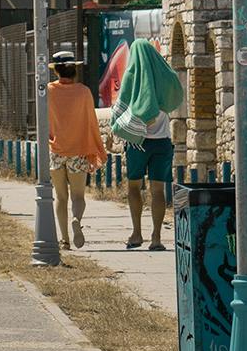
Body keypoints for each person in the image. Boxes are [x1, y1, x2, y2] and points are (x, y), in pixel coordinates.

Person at [107, 37, 182, 251]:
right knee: (158, 190)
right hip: (162, 142)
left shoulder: (133, 75)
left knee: (134, 186)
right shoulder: (165, 76)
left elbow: (120, 108)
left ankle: (136, 232)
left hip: (137, 144)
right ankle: (157, 238)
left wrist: (114, 129)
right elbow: (176, 96)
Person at [47, 51, 104, 247]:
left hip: (56, 150)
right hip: (78, 151)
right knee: (78, 196)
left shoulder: (48, 91)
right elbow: (91, 122)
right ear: (74, 70)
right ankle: (76, 220)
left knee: (61, 197)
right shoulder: (84, 92)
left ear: (56, 71)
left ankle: (64, 240)